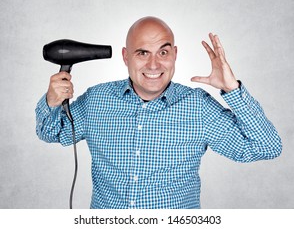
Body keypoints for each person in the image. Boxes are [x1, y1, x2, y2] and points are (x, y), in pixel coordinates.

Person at [36, 16, 282, 209]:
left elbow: (267, 147)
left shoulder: (198, 107)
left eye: (163, 53)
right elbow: (51, 133)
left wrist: (232, 89)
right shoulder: (97, 100)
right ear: (125, 57)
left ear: (175, 54)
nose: (153, 65)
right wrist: (52, 101)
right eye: (142, 53)